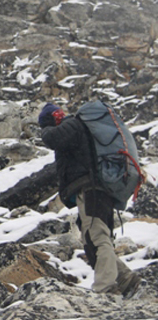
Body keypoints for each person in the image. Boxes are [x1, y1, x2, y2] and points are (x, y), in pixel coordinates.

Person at [39, 102, 142, 297]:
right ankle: (127, 280)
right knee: (91, 242)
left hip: (92, 189)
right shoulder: (76, 127)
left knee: (98, 237)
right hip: (93, 190)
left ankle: (106, 288)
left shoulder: (72, 125)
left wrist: (45, 128)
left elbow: (52, 138)